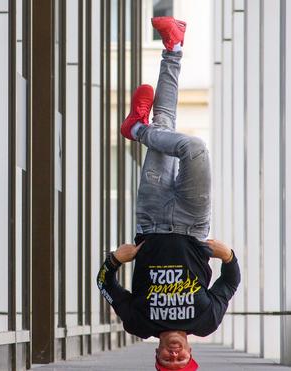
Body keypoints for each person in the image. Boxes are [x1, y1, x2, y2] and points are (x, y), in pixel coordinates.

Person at [96, 16, 241, 371]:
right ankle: (138, 128)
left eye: (167, 360)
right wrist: (229, 256)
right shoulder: (206, 322)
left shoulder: (138, 324)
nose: (174, 354)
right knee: (194, 148)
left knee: (165, 125)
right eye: (181, 360)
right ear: (191, 355)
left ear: (157, 355)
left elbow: (104, 284)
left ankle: (173, 47)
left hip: (152, 217)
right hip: (194, 224)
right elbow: (231, 282)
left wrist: (116, 259)